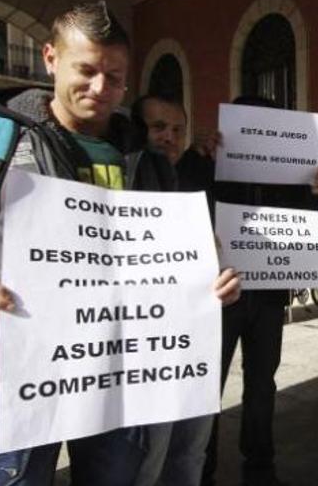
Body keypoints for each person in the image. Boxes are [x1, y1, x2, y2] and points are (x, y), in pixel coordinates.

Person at [0, 2, 240, 486]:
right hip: (24, 375)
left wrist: (208, 282)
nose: (100, 88)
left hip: (123, 379)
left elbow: (175, 258)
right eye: (86, 70)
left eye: (114, 77)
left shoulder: (149, 160)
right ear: (50, 58)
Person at [200, 95, 318, 486]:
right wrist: (201, 158)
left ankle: (260, 467)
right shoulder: (215, 167)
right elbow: (190, 201)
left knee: (262, 385)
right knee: (210, 386)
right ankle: (201, 468)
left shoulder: (289, 177)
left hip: (270, 296)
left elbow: (305, 222)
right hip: (222, 296)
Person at [129, 93, 220, 486]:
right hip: (145, 347)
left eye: (177, 129)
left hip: (196, 339)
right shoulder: (122, 178)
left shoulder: (198, 174)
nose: (169, 136)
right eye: (158, 127)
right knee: (148, 457)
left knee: (190, 451)